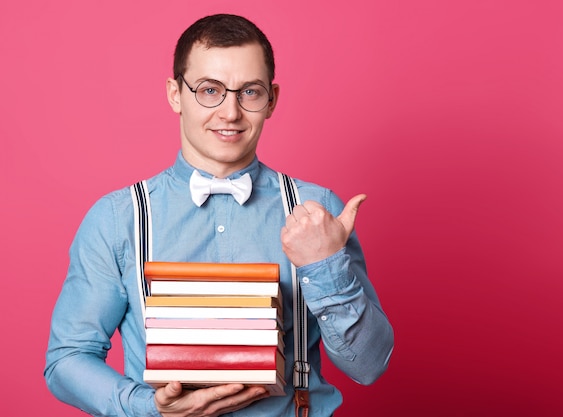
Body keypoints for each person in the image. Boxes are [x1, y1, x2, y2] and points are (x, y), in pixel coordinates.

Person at [44, 13, 394, 417]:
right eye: (209, 90)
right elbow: (67, 359)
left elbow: (369, 367)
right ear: (175, 94)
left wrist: (326, 265)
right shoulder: (117, 219)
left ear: (272, 99)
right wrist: (149, 408)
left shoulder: (318, 213)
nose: (230, 112)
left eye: (250, 92)